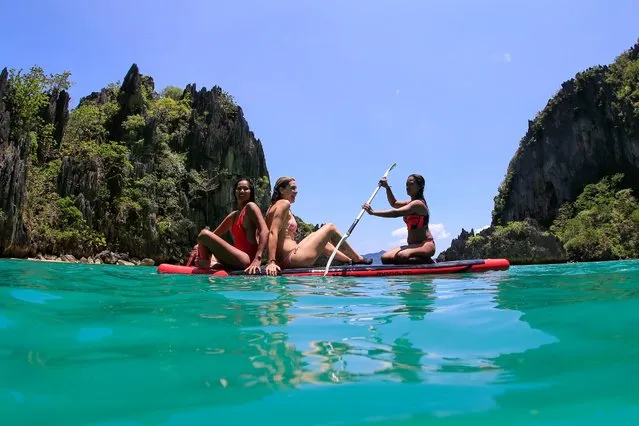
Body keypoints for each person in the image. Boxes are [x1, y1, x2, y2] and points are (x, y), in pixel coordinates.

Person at [264, 176, 372, 276]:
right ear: (281, 190)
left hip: (288, 258)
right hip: (292, 259)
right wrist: (271, 262)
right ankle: (357, 258)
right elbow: (273, 232)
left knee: (320, 239)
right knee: (330, 227)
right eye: (292, 188)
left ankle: (350, 261)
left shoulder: (271, 208)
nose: (296, 192)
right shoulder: (284, 204)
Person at [187, 177, 269, 274]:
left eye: (246, 188)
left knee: (204, 234)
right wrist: (198, 246)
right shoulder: (233, 216)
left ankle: (207, 264)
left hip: (245, 260)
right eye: (239, 188)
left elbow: (265, 231)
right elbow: (214, 235)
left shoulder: (251, 207)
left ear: (251, 192)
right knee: (202, 238)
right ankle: (207, 265)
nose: (242, 191)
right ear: (235, 191)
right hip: (234, 259)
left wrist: (257, 259)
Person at [362, 173, 435, 264]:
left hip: (425, 244)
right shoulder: (410, 203)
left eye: (411, 184)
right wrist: (387, 187)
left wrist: (373, 212)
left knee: (402, 256)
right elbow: (394, 203)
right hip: (412, 246)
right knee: (385, 258)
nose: (407, 187)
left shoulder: (418, 204)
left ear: (420, 186)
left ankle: (429, 261)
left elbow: (396, 213)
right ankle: (415, 260)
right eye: (406, 184)